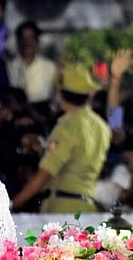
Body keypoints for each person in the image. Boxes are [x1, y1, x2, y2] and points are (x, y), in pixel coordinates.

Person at [9, 63, 112, 213]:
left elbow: (45, 174)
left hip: (63, 210)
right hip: (87, 207)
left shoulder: (67, 125)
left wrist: (12, 205)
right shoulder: (102, 126)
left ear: (60, 94)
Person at [7, 20, 58, 107]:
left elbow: (56, 97)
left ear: (37, 41)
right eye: (23, 38)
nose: (27, 43)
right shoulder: (9, 67)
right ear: (18, 42)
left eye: (31, 38)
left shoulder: (50, 68)